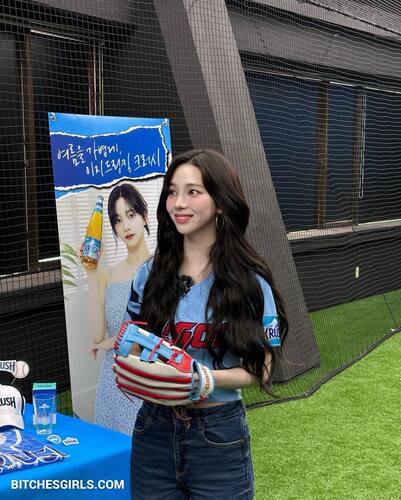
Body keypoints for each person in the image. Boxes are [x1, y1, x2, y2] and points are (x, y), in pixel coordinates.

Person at [124, 149, 288, 499]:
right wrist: (136, 369)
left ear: (221, 203)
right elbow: (132, 346)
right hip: (153, 429)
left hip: (218, 435)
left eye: (193, 192)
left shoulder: (249, 283)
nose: (179, 203)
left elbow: (263, 369)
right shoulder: (149, 275)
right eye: (172, 192)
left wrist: (205, 378)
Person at [84, 183, 150, 434]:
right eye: (118, 220)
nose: (126, 226)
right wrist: (91, 274)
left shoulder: (161, 269)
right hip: (112, 384)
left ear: (144, 216)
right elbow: (96, 336)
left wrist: (109, 343)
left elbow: (150, 333)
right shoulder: (107, 275)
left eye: (131, 215)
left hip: (149, 380)